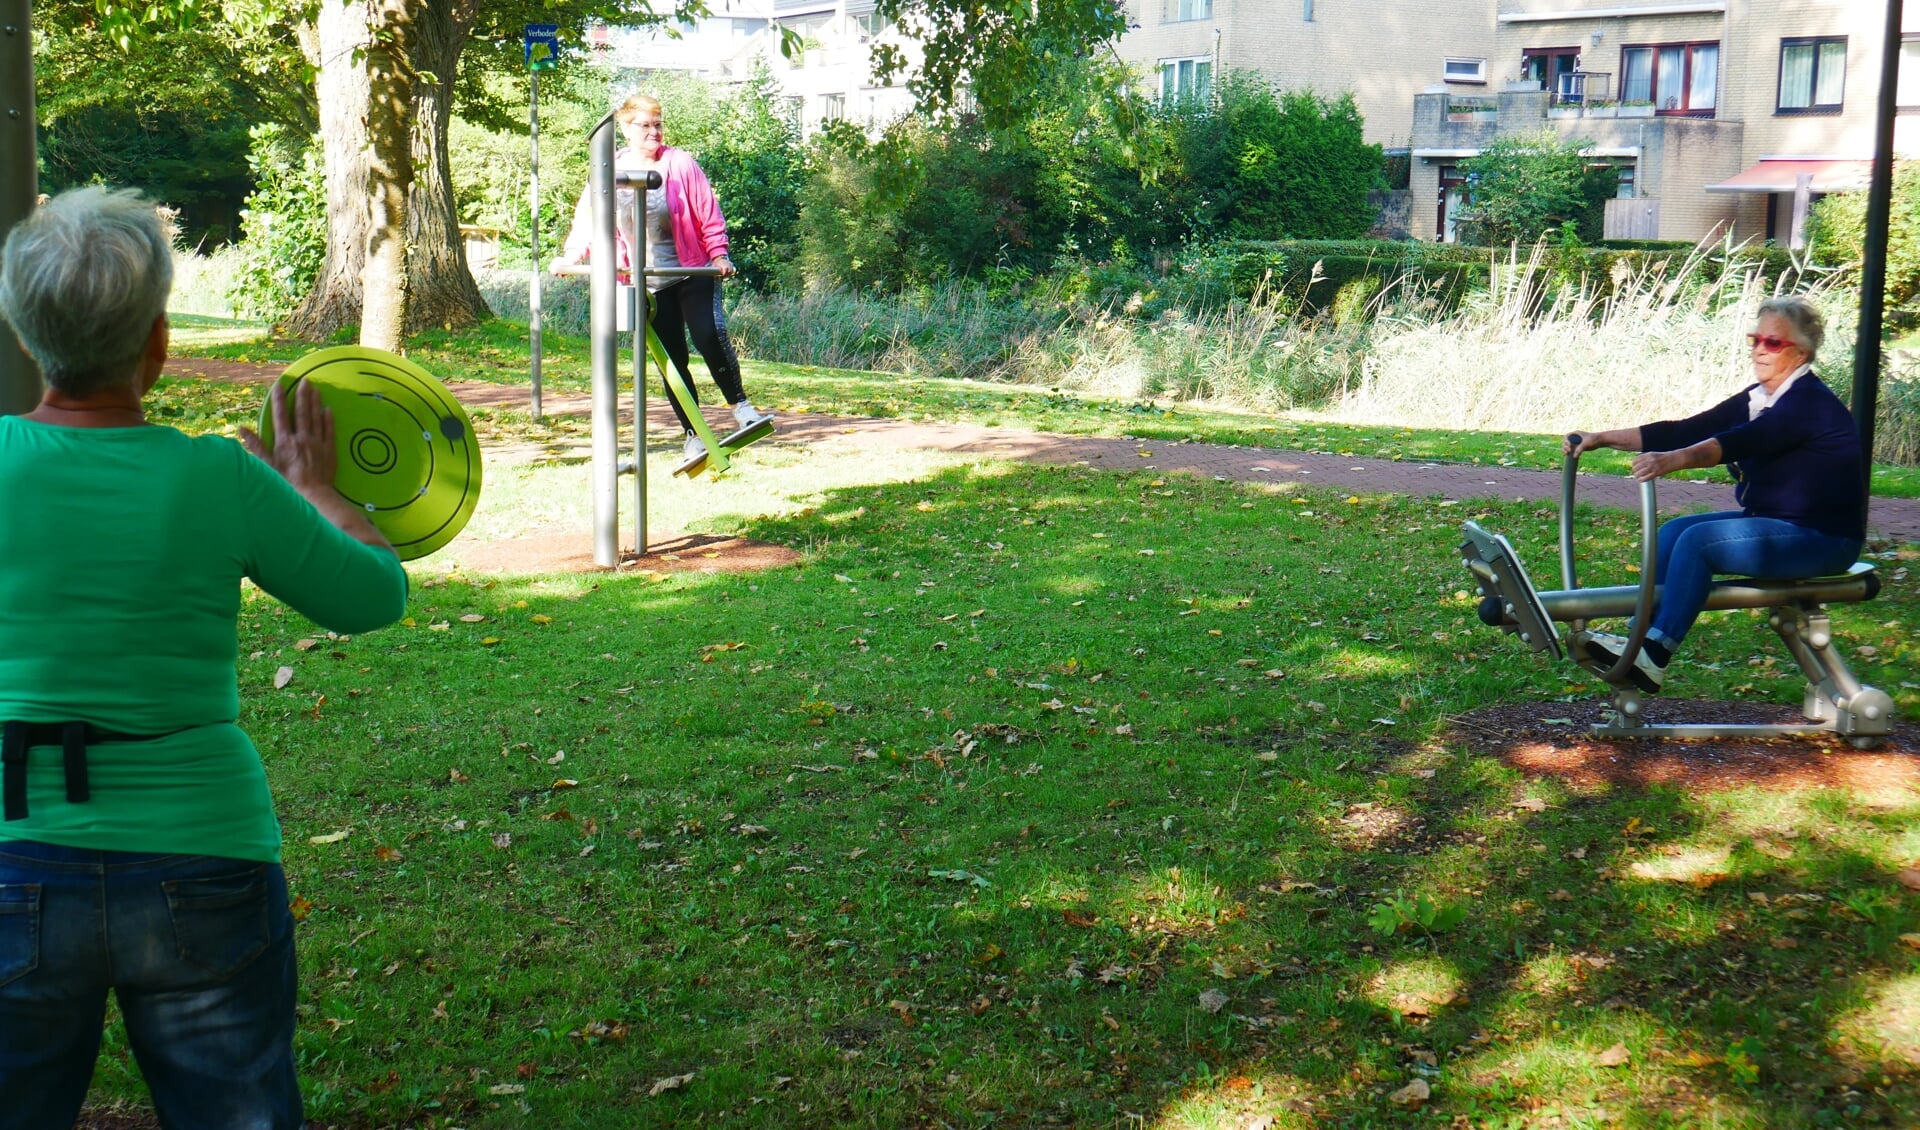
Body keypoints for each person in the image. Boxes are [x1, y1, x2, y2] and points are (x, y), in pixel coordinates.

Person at [0, 187, 409, 1128]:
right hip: (203, 858)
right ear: (157, 340)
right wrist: (322, 494)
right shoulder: (217, 476)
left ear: (27, 336)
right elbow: (373, 597)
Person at [1566, 294, 1867, 694]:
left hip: (1824, 537)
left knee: (1699, 543)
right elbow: (1687, 429)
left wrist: (1672, 461)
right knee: (1673, 534)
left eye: (1773, 343)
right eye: (1755, 339)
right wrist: (1601, 437)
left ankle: (1655, 655)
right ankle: (1637, 640)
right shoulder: (1759, 398)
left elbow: (1734, 442)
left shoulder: (1807, 404)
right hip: (1777, 521)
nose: (1760, 349)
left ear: (1803, 352)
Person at [554, 92, 772, 473]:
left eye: (658, 124)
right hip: (645, 280)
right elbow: (588, 221)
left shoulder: (680, 163)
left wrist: (719, 254)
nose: (653, 131)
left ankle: (742, 409)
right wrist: (571, 256)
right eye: (645, 125)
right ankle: (693, 434)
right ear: (625, 129)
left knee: (708, 334)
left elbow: (707, 211)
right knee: (671, 360)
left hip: (691, 270)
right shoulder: (608, 171)